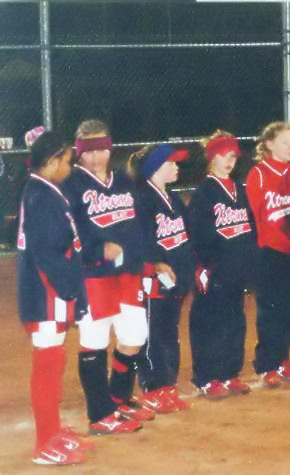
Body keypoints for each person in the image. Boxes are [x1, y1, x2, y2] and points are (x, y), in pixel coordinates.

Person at [62, 119, 149, 434]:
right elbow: (69, 232)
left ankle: (118, 398)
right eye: (89, 150)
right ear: (79, 152)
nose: (97, 156)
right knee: (95, 341)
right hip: (94, 275)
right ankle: (100, 415)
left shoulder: (123, 181)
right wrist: (97, 250)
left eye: (102, 149)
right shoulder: (71, 185)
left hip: (127, 272)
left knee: (134, 337)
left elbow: (138, 223)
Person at [17, 131, 93, 465]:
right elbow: (46, 254)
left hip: (50, 295)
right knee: (47, 366)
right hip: (45, 296)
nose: (70, 166)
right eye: (66, 161)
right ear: (51, 162)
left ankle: (52, 431)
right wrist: (69, 291)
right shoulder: (41, 195)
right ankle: (45, 443)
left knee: (54, 362)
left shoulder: (45, 190)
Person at [187, 130, 257, 398]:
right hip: (214, 269)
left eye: (233, 157)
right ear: (211, 158)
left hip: (236, 268)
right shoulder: (204, 193)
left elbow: (248, 227)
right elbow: (198, 233)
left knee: (235, 321)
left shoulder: (239, 190)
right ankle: (207, 377)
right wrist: (206, 265)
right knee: (210, 322)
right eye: (223, 156)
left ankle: (229, 372)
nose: (229, 161)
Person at [128, 144, 194, 412]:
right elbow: (142, 240)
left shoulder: (173, 199)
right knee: (152, 333)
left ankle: (168, 385)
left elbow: (185, 237)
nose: (177, 167)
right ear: (155, 168)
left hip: (174, 278)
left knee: (169, 332)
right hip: (153, 279)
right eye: (171, 163)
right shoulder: (143, 199)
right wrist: (156, 263)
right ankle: (153, 388)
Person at [245, 122, 290, 388]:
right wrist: (258, 250)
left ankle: (282, 359)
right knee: (270, 310)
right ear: (269, 144)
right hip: (269, 251)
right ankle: (266, 364)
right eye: (285, 142)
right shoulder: (258, 174)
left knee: (289, 310)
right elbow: (254, 215)